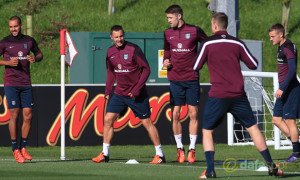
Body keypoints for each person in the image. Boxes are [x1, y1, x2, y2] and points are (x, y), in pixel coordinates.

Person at [193, 13, 283, 178]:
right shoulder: (237, 43)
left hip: (218, 94)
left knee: (207, 131)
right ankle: (271, 166)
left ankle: (211, 170)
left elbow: (196, 65)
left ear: (214, 25)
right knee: (253, 128)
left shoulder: (207, 43)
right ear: (226, 26)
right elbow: (254, 64)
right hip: (238, 95)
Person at [92, 25, 165, 164]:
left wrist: (137, 89)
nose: (119, 39)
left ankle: (160, 155)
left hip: (137, 94)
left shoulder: (133, 49)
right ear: (111, 38)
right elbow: (111, 73)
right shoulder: (110, 52)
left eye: (121, 36)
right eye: (116, 37)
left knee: (147, 122)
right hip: (119, 93)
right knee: (108, 119)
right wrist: (107, 91)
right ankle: (105, 154)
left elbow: (146, 69)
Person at [163, 4, 207, 163]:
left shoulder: (195, 30)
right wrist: (165, 60)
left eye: (170, 18)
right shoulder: (167, 33)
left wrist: (200, 62)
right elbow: (166, 50)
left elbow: (207, 45)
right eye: (167, 18)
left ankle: (192, 149)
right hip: (175, 79)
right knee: (175, 113)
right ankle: (180, 148)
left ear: (179, 16)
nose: (168, 21)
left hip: (191, 78)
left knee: (193, 113)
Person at [0, 16, 43, 163]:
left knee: (28, 115)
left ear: (21, 26)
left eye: (15, 26)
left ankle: (23, 147)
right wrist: (7, 62)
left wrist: (35, 59)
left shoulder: (29, 40)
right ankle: (15, 149)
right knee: (14, 114)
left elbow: (39, 54)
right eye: (11, 27)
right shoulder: (4, 42)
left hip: (26, 83)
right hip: (11, 83)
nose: (13, 29)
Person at [269, 23, 300, 163]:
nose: (270, 39)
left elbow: (293, 70)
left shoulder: (287, 47)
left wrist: (282, 87)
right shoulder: (281, 47)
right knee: (276, 119)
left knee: (290, 121)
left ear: (281, 34)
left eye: (272, 36)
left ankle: (296, 154)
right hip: (284, 90)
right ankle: (297, 147)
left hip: (291, 89)